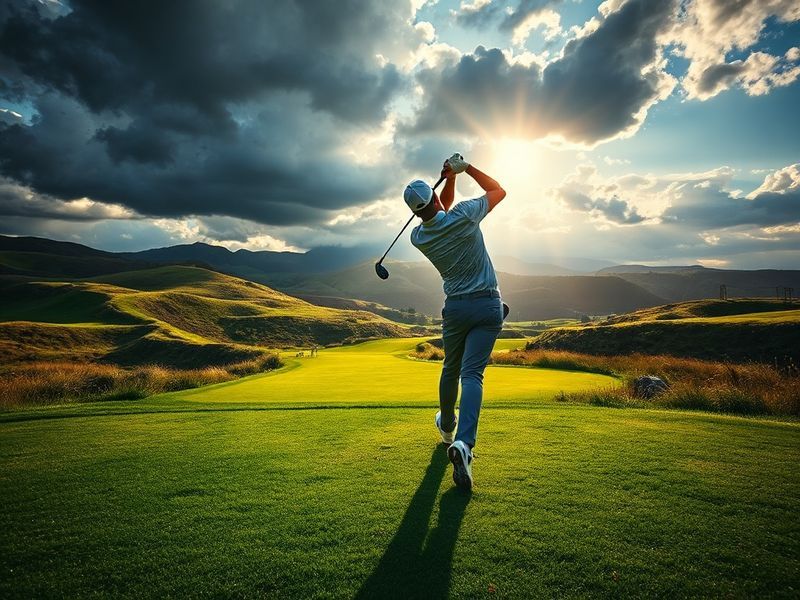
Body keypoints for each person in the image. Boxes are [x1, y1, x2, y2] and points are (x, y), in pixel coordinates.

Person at [404, 153, 506, 491]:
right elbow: (498, 191)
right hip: (488, 304)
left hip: (456, 309)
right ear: (432, 198)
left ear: (415, 211)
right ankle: (464, 443)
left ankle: (447, 428)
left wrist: (449, 179)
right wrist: (465, 169)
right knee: (472, 374)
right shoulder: (463, 215)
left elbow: (437, 211)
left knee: (451, 368)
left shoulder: (418, 238)